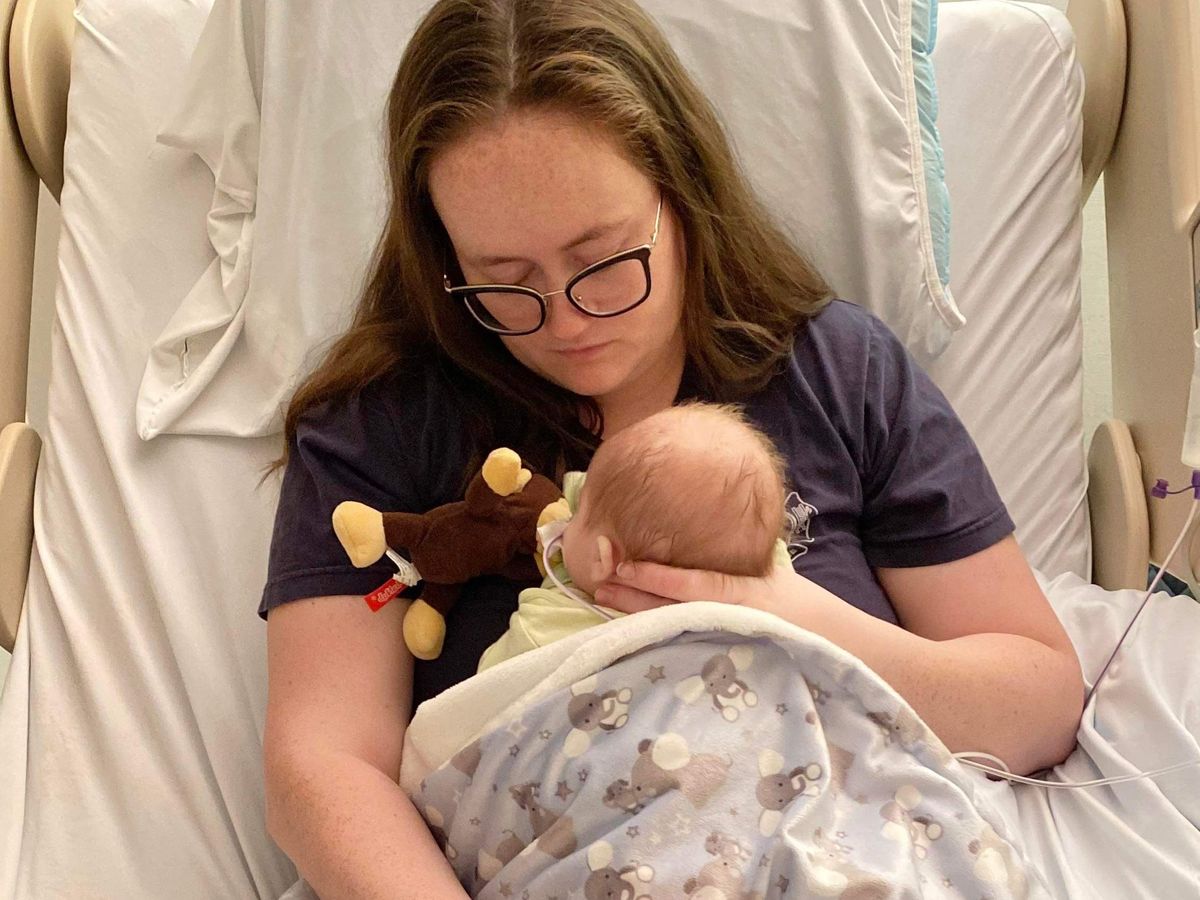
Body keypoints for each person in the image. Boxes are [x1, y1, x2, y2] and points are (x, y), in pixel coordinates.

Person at [259, 1, 1084, 897]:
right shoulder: (380, 426)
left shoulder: (837, 373)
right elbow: (322, 767)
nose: (567, 320)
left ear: (679, 195)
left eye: (603, 258)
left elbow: (1037, 700)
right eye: (507, 281)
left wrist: (780, 613)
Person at [478, 402, 794, 671]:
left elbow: (477, 704)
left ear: (602, 558)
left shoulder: (547, 630)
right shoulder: (775, 593)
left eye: (579, 512)